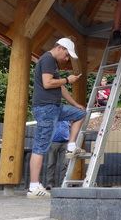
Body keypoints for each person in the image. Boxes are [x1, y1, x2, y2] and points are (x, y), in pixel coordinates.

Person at [27, 38, 86, 198]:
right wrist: (67, 79)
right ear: (60, 48)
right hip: (46, 109)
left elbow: (60, 87)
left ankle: (71, 146)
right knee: (40, 147)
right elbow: (47, 83)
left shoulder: (52, 63)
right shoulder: (47, 59)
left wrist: (75, 104)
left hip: (55, 108)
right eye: (66, 55)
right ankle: (33, 186)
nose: (66, 59)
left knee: (80, 113)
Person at [45, 120, 70, 190]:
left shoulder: (68, 115)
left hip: (65, 143)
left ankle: (63, 183)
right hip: (53, 142)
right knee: (51, 164)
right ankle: (50, 183)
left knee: (65, 164)